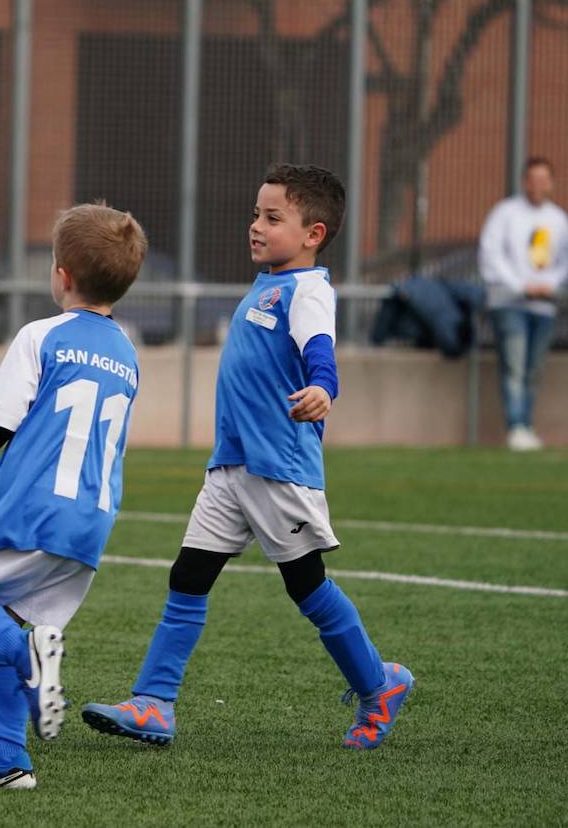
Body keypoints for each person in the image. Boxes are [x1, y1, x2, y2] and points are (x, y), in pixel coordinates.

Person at [82, 164, 414, 752]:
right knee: (188, 575)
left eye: (272, 217)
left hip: (277, 466)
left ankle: (378, 685)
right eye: (256, 214)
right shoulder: (267, 284)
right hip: (231, 465)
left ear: (313, 233)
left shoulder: (308, 290)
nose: (255, 226)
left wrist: (323, 388)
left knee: (306, 586)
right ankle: (154, 704)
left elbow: (320, 347)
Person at [0, 203, 144, 789]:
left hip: (30, 510)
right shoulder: (126, 353)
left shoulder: (42, 335)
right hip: (90, 521)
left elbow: (4, 420)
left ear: (62, 276)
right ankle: (5, 758)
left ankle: (32, 664)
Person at [478, 156, 568, 451]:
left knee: (533, 369)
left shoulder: (557, 219)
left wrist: (549, 285)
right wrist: (520, 286)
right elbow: (491, 254)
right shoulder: (506, 213)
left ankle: (526, 426)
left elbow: (562, 262)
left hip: (543, 305)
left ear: (552, 183)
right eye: (533, 179)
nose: (538, 185)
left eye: (544, 179)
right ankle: (516, 426)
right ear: (524, 181)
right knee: (514, 365)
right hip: (509, 303)